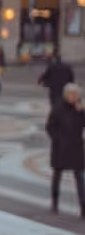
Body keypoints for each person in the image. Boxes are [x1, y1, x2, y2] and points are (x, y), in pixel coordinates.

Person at [45, 82, 85, 217]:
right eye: (72, 94)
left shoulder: (80, 108)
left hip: (76, 148)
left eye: (77, 95)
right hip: (60, 149)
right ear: (66, 95)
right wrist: (58, 140)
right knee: (57, 176)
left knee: (80, 177)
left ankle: (83, 208)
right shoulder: (57, 108)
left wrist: (82, 112)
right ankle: (54, 203)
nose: (74, 97)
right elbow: (50, 127)